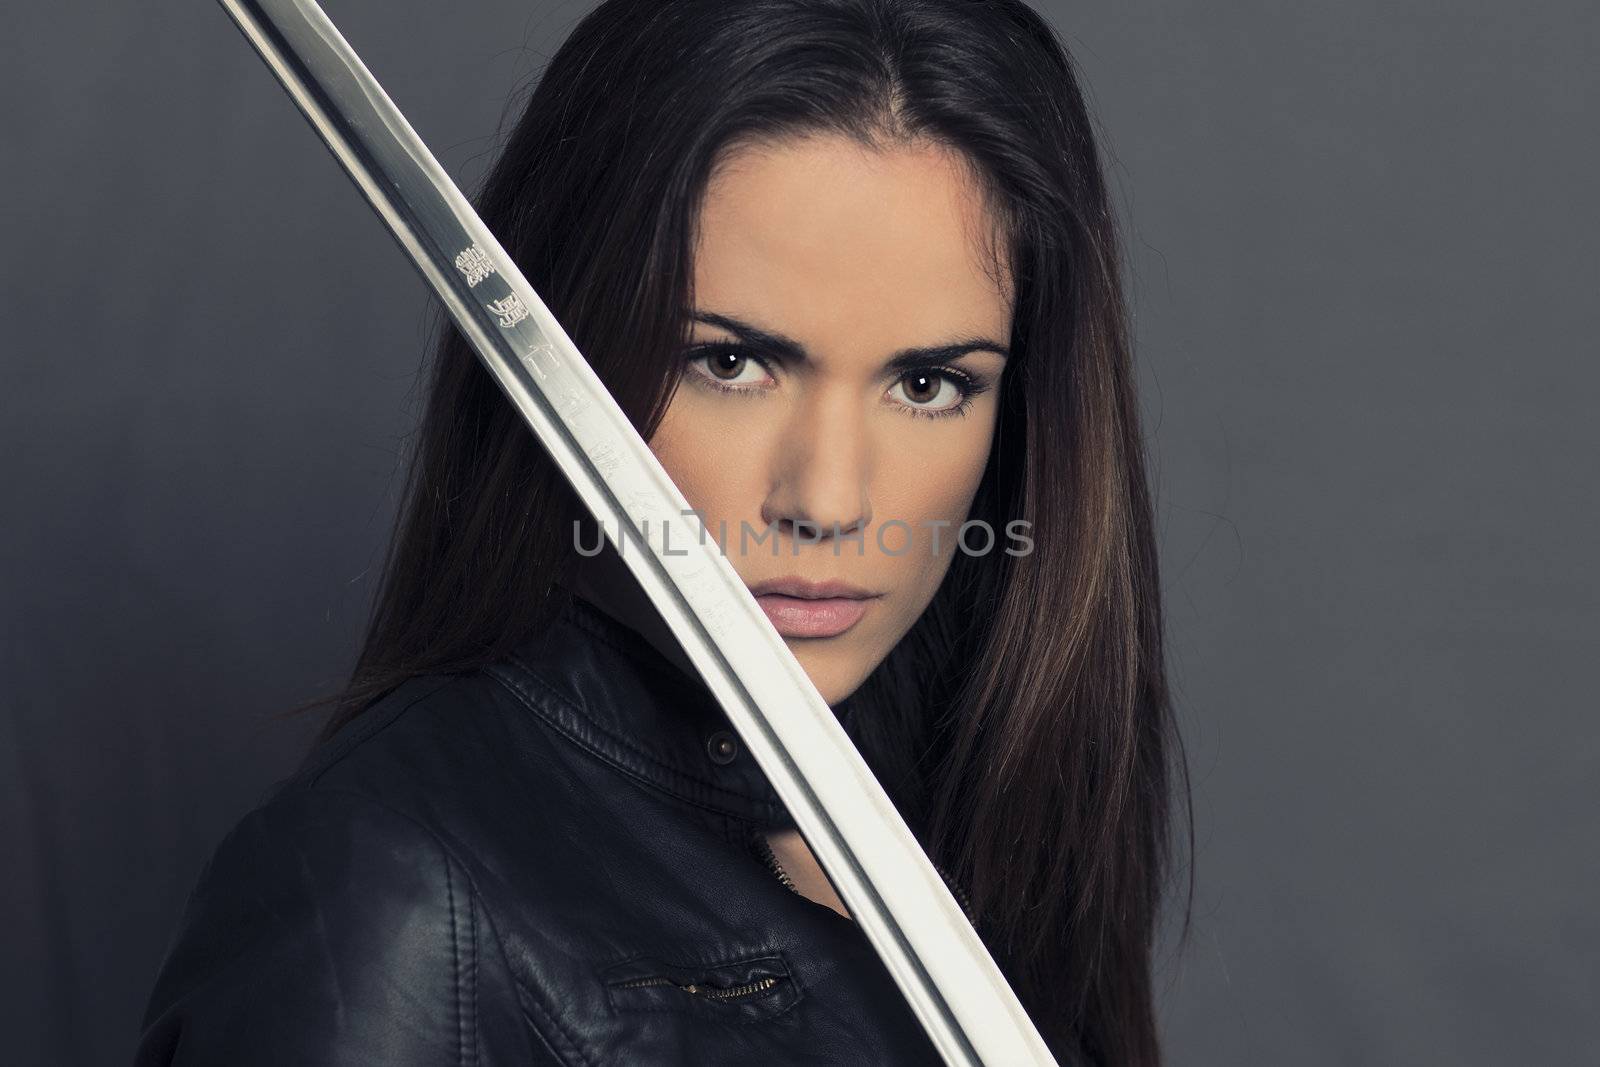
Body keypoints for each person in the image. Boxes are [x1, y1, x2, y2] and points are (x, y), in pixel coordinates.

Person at [135, 0, 1190, 1063]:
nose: (825, 502)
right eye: (728, 362)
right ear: (570, 350)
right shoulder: (390, 902)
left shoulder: (991, 776)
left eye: (927, 383)